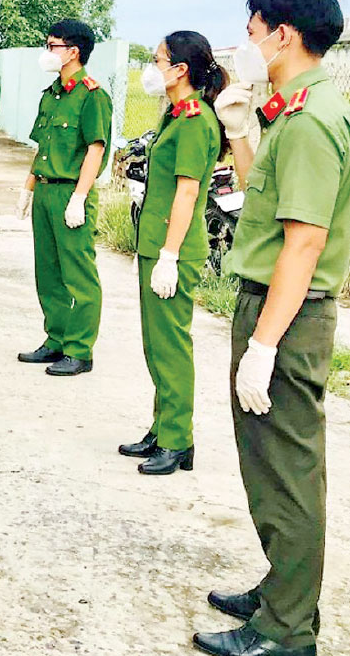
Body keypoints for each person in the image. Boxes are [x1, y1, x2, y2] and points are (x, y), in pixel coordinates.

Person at [193, 0, 350, 656]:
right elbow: (268, 191)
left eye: (254, 28)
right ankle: (283, 590)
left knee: (286, 475)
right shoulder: (296, 111)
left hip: (288, 316)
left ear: (283, 33)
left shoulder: (316, 119)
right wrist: (238, 131)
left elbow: (305, 240)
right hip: (276, 306)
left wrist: (264, 345)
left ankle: (288, 632)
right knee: (271, 468)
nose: (248, 41)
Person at [119, 31, 227, 475]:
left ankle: (178, 441)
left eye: (158, 59)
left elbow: (187, 194)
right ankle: (162, 428)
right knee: (155, 344)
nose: (152, 66)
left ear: (180, 69)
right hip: (157, 245)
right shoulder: (175, 115)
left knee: (171, 346)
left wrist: (169, 255)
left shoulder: (196, 120)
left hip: (173, 251)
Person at [15, 19, 112, 377]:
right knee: (49, 271)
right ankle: (55, 339)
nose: (47, 52)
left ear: (73, 51)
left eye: (53, 45)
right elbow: (43, 146)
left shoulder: (92, 95)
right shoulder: (52, 94)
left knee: (79, 275)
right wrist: (28, 187)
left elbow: (95, 149)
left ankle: (80, 349)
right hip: (45, 189)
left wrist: (80, 196)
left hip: (71, 192)